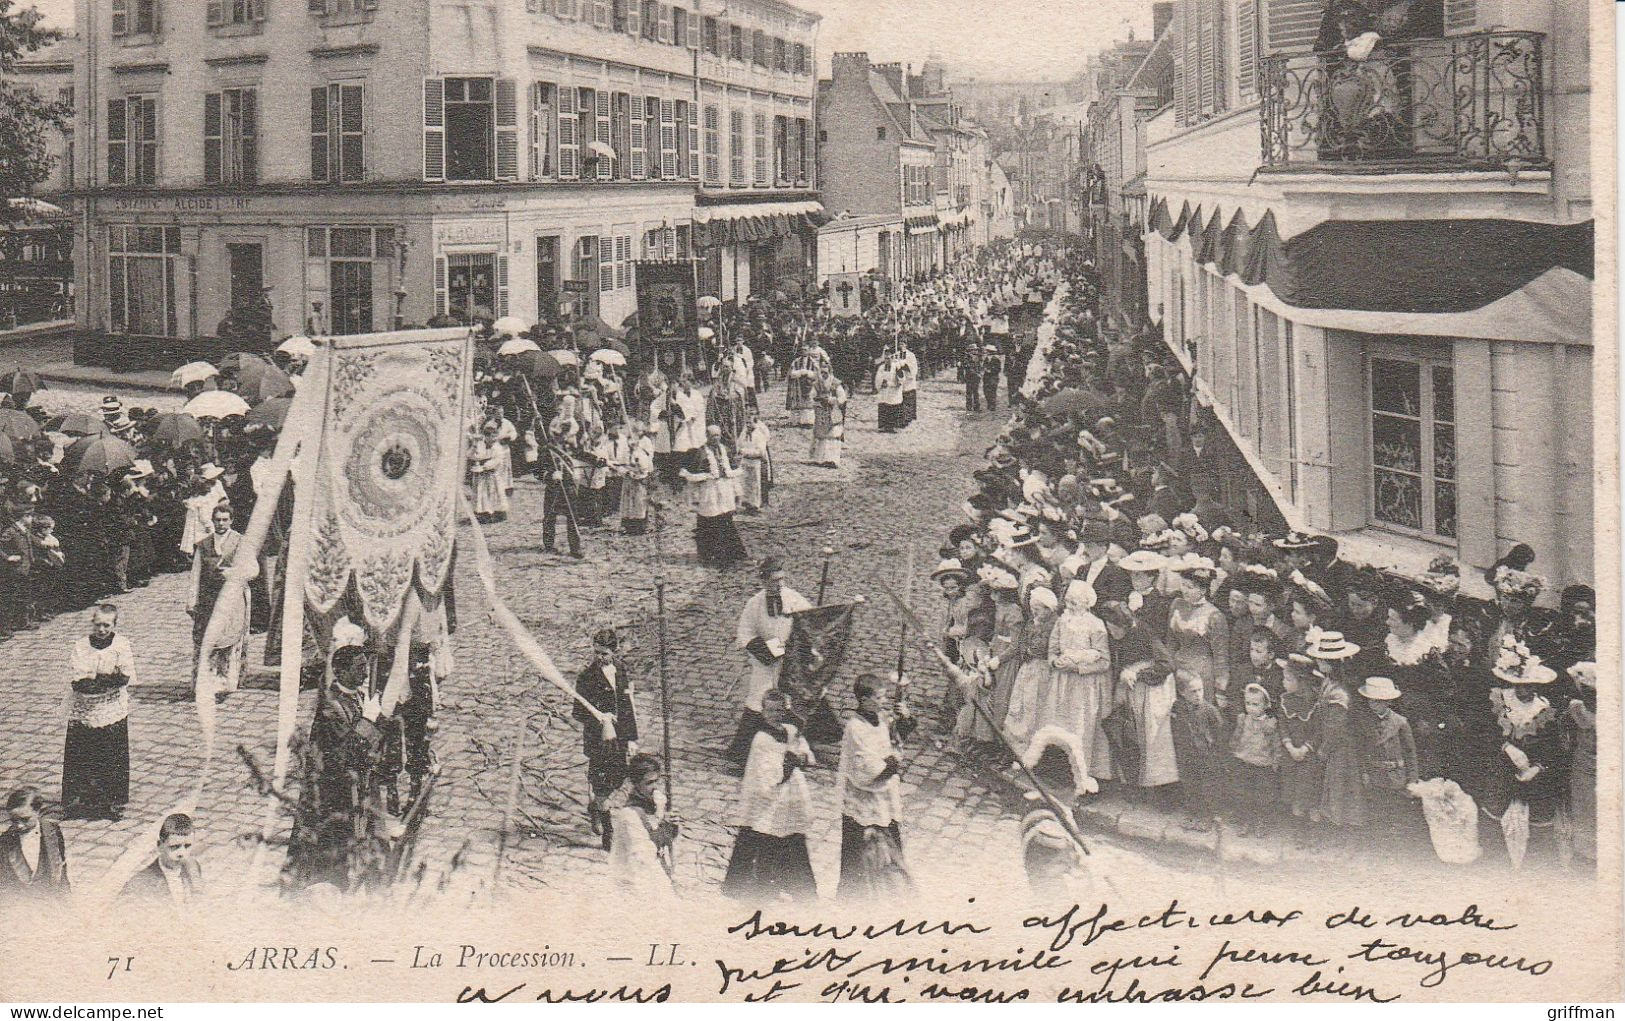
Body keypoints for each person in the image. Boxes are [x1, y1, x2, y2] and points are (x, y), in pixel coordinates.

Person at [721, 689, 818, 902]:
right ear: (763, 711)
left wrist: (800, 757)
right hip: (767, 800)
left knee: (792, 839)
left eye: (779, 710)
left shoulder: (791, 730)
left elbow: (808, 756)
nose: (775, 714)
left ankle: (793, 886)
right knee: (765, 841)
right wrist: (788, 762)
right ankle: (760, 890)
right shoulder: (761, 740)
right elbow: (767, 777)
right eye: (770, 710)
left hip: (789, 800)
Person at [836, 674, 915, 901]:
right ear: (863, 700)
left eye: (884, 696)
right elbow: (867, 767)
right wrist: (893, 762)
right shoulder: (855, 728)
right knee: (860, 855)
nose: (883, 701)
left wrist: (904, 718)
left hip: (884, 800)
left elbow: (895, 736)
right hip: (864, 802)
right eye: (879, 698)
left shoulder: (880, 718)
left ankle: (891, 894)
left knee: (891, 845)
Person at [730, 557, 812, 764]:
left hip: (789, 662)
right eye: (775, 580)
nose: (780, 584)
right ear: (764, 582)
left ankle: (797, 745)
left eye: (782, 579)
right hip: (766, 663)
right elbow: (745, 633)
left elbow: (810, 620)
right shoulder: (754, 604)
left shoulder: (793, 599)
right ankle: (744, 754)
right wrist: (767, 651)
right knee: (759, 700)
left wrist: (798, 644)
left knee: (794, 699)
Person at [63, 604, 136, 821]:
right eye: (98, 625)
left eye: (107, 625)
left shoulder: (121, 644)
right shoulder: (82, 646)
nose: (102, 630)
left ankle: (113, 800)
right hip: (86, 705)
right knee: (83, 750)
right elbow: (79, 677)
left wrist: (106, 680)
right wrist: (96, 680)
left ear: (114, 625)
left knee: (111, 752)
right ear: (92, 624)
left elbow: (125, 674)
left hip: (110, 706)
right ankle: (79, 798)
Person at [573, 628, 639, 849]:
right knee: (601, 785)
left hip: (618, 739)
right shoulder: (586, 677)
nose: (599, 658)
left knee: (618, 778)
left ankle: (595, 808)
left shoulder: (620, 670)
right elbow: (578, 712)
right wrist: (601, 719)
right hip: (598, 741)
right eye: (597, 653)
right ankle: (608, 833)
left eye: (604, 654)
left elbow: (627, 707)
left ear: (615, 651)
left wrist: (631, 738)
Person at [187, 502, 250, 701]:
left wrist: (234, 573)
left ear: (231, 521)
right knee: (207, 640)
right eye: (217, 520)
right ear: (212, 521)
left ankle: (226, 683)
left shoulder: (240, 541)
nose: (221, 523)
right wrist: (192, 600)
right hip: (208, 599)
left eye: (225, 520)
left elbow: (250, 569)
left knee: (229, 640)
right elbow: (196, 573)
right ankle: (205, 683)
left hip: (232, 598)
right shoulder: (204, 544)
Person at [1357, 675, 1421, 852]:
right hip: (1376, 774)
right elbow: (1362, 750)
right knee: (1377, 810)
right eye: (1371, 701)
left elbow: (1411, 754)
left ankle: (1396, 848)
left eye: (1378, 701)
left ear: (1388, 702)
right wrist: (1364, 771)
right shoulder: (1365, 722)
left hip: (1396, 776)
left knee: (1396, 813)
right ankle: (1378, 847)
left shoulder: (1400, 723)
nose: (1373, 705)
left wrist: (1412, 779)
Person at [609, 753, 678, 904]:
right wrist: (660, 819)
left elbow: (663, 842)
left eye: (656, 781)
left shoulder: (650, 804)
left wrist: (671, 827)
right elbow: (644, 854)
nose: (655, 788)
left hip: (650, 874)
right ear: (636, 783)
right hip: (632, 880)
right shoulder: (629, 815)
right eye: (649, 783)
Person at [680, 425, 748, 567]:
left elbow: (732, 470)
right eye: (713, 435)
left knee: (725, 519)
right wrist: (704, 478)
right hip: (709, 490)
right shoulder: (701, 452)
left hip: (724, 489)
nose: (716, 438)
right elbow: (692, 474)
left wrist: (737, 492)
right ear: (707, 436)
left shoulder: (725, 450)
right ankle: (709, 554)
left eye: (718, 435)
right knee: (709, 520)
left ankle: (730, 553)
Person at [0, 787, 70, 901]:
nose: (19, 825)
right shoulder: (4, 842)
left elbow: (62, 869)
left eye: (25, 819)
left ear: (37, 811)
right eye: (14, 820)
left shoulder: (53, 831)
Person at [119, 812, 204, 905]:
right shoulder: (139, 883)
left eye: (187, 846)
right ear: (159, 846)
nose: (181, 853)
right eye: (174, 847)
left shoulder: (193, 867)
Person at [736, 406, 772, 514]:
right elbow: (739, 443)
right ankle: (747, 503)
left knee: (756, 485)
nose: (747, 425)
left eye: (750, 423)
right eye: (746, 423)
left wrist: (745, 451)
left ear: (755, 422)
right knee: (746, 484)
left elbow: (760, 451)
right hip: (745, 463)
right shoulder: (745, 432)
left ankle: (756, 505)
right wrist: (740, 450)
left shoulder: (759, 434)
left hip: (756, 463)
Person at [809, 369, 848, 468]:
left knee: (833, 435)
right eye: (822, 373)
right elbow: (811, 396)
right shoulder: (817, 384)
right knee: (822, 436)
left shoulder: (836, 383)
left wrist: (832, 400)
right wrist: (817, 402)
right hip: (821, 412)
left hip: (833, 411)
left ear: (830, 372)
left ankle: (833, 459)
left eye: (826, 373)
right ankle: (820, 459)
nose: (824, 375)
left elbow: (842, 397)